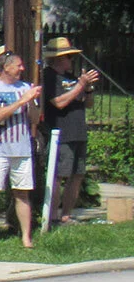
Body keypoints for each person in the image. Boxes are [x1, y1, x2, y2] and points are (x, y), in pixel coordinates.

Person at [0, 49, 39, 248]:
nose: (22, 68)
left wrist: (34, 102)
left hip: (21, 148)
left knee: (22, 193)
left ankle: (26, 237)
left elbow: (34, 118)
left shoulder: (25, 87)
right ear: (6, 67)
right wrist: (22, 100)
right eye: (18, 65)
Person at [40, 38, 100, 226]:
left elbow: (88, 104)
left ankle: (66, 215)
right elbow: (59, 102)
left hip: (78, 131)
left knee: (78, 174)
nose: (71, 61)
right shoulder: (48, 77)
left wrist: (88, 89)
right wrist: (80, 86)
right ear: (58, 59)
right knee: (59, 175)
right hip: (61, 133)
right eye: (69, 57)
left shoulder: (73, 77)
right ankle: (53, 216)